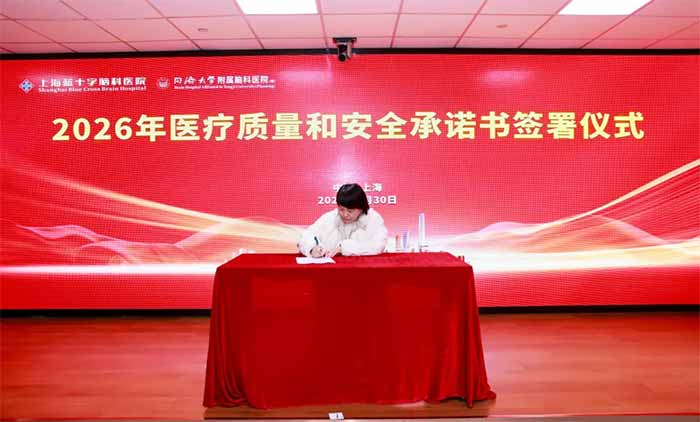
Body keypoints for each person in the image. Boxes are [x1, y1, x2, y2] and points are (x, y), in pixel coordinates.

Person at [299, 183, 388, 258]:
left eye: (350, 211)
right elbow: (308, 235)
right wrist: (312, 248)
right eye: (341, 209)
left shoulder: (373, 219)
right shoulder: (330, 217)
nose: (345, 214)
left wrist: (343, 248)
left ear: (361, 208)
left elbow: (378, 246)